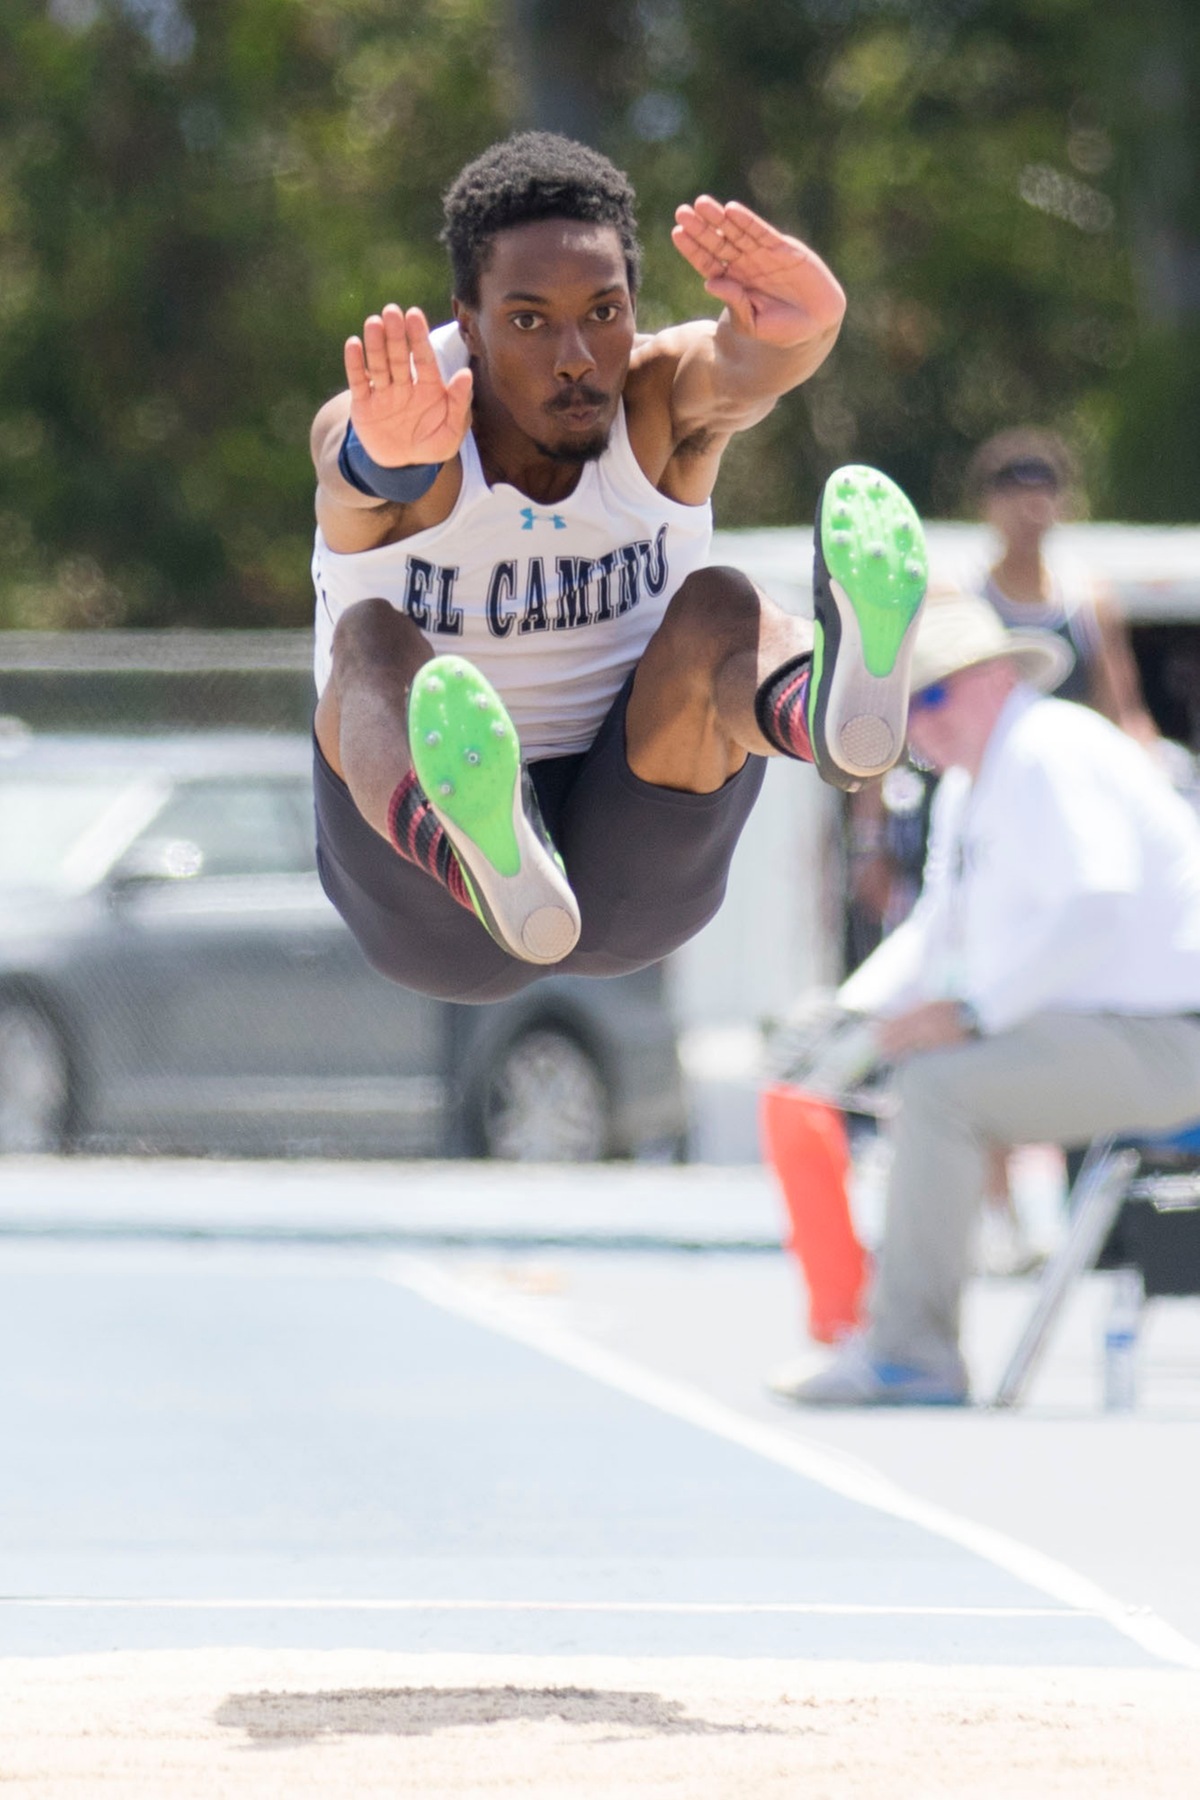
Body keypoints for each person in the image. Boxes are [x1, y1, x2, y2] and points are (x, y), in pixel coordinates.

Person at [308, 132, 927, 1003]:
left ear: (634, 306)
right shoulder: (407, 415)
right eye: (529, 321)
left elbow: (742, 366)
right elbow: (346, 469)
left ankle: (822, 709)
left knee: (719, 603)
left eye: (603, 312)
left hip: (636, 856)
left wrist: (810, 327)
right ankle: (471, 845)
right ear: (468, 325)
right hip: (437, 914)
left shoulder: (653, 396)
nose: (575, 355)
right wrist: (389, 461)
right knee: (370, 641)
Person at [772, 590, 1200, 1406]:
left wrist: (973, 1015)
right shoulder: (976, 783)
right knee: (919, 1079)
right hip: (1129, 1034)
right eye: (906, 705)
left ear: (999, 676)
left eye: (934, 693)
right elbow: (939, 929)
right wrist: (846, 1018)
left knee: (940, 1090)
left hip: (1176, 1040)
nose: (919, 722)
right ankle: (889, 1332)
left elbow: (1098, 903)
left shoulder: (1049, 748)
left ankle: (911, 1351)